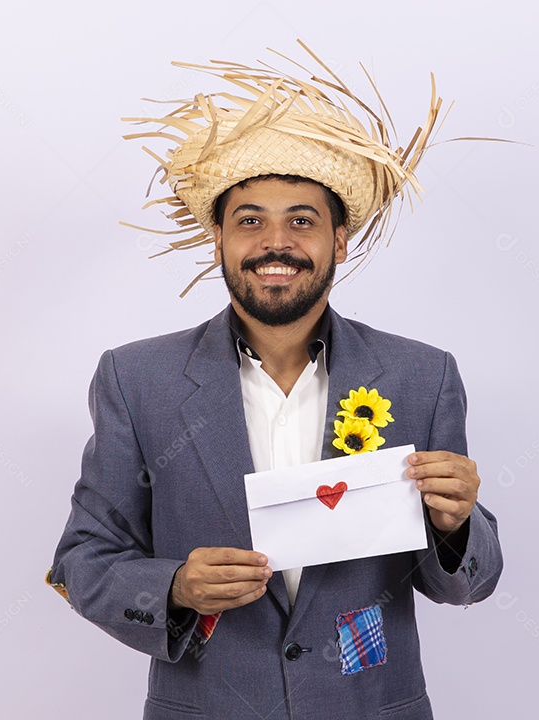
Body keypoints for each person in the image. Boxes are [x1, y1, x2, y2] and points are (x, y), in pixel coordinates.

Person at [47, 44, 503, 720]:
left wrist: (457, 524)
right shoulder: (137, 380)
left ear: (339, 241)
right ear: (219, 241)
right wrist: (174, 586)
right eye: (250, 220)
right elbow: (82, 560)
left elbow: (468, 584)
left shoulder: (422, 376)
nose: (275, 241)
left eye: (302, 220)